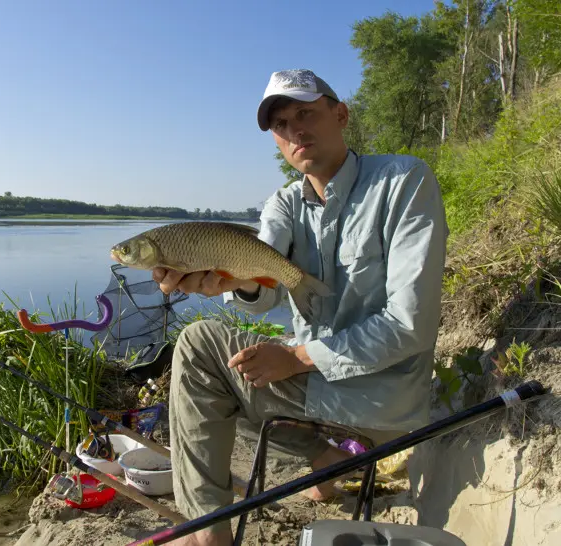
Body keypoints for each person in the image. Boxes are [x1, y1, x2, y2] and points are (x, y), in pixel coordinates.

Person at [153, 69, 449, 546]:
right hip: (320, 386)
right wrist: (225, 281)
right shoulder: (284, 204)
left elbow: (410, 326)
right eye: (282, 124)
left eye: (306, 113)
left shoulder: (403, 180)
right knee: (238, 360)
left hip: (382, 397)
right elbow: (262, 290)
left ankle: (206, 534)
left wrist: (297, 356)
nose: (295, 131)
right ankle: (324, 458)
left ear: (341, 113)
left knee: (198, 344)